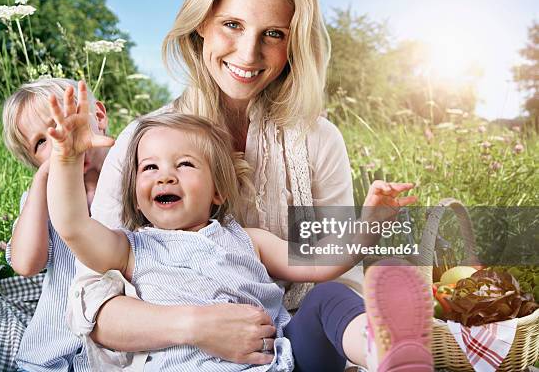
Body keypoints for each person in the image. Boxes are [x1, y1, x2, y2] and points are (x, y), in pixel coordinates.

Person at [66, 0, 429, 370]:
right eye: (232, 24)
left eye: (273, 33)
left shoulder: (316, 144)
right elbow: (93, 304)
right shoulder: (144, 144)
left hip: (286, 350)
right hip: (182, 357)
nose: (248, 53)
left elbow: (331, 271)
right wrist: (199, 325)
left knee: (333, 300)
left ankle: (394, 357)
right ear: (202, 22)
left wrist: (368, 226)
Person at [45, 83, 433, 371]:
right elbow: (74, 226)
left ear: (217, 191)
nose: (165, 176)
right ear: (135, 189)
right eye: (150, 168)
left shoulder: (247, 239)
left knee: (327, 297)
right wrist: (66, 159)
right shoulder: (130, 249)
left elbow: (321, 263)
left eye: (184, 165)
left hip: (283, 361)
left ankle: (386, 352)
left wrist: (368, 227)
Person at [1, 78, 109, 371]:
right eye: (41, 142)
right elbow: (26, 264)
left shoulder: (132, 178)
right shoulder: (44, 199)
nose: (60, 140)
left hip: (116, 351)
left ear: (98, 117)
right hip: (51, 348)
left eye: (65, 122)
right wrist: (41, 182)